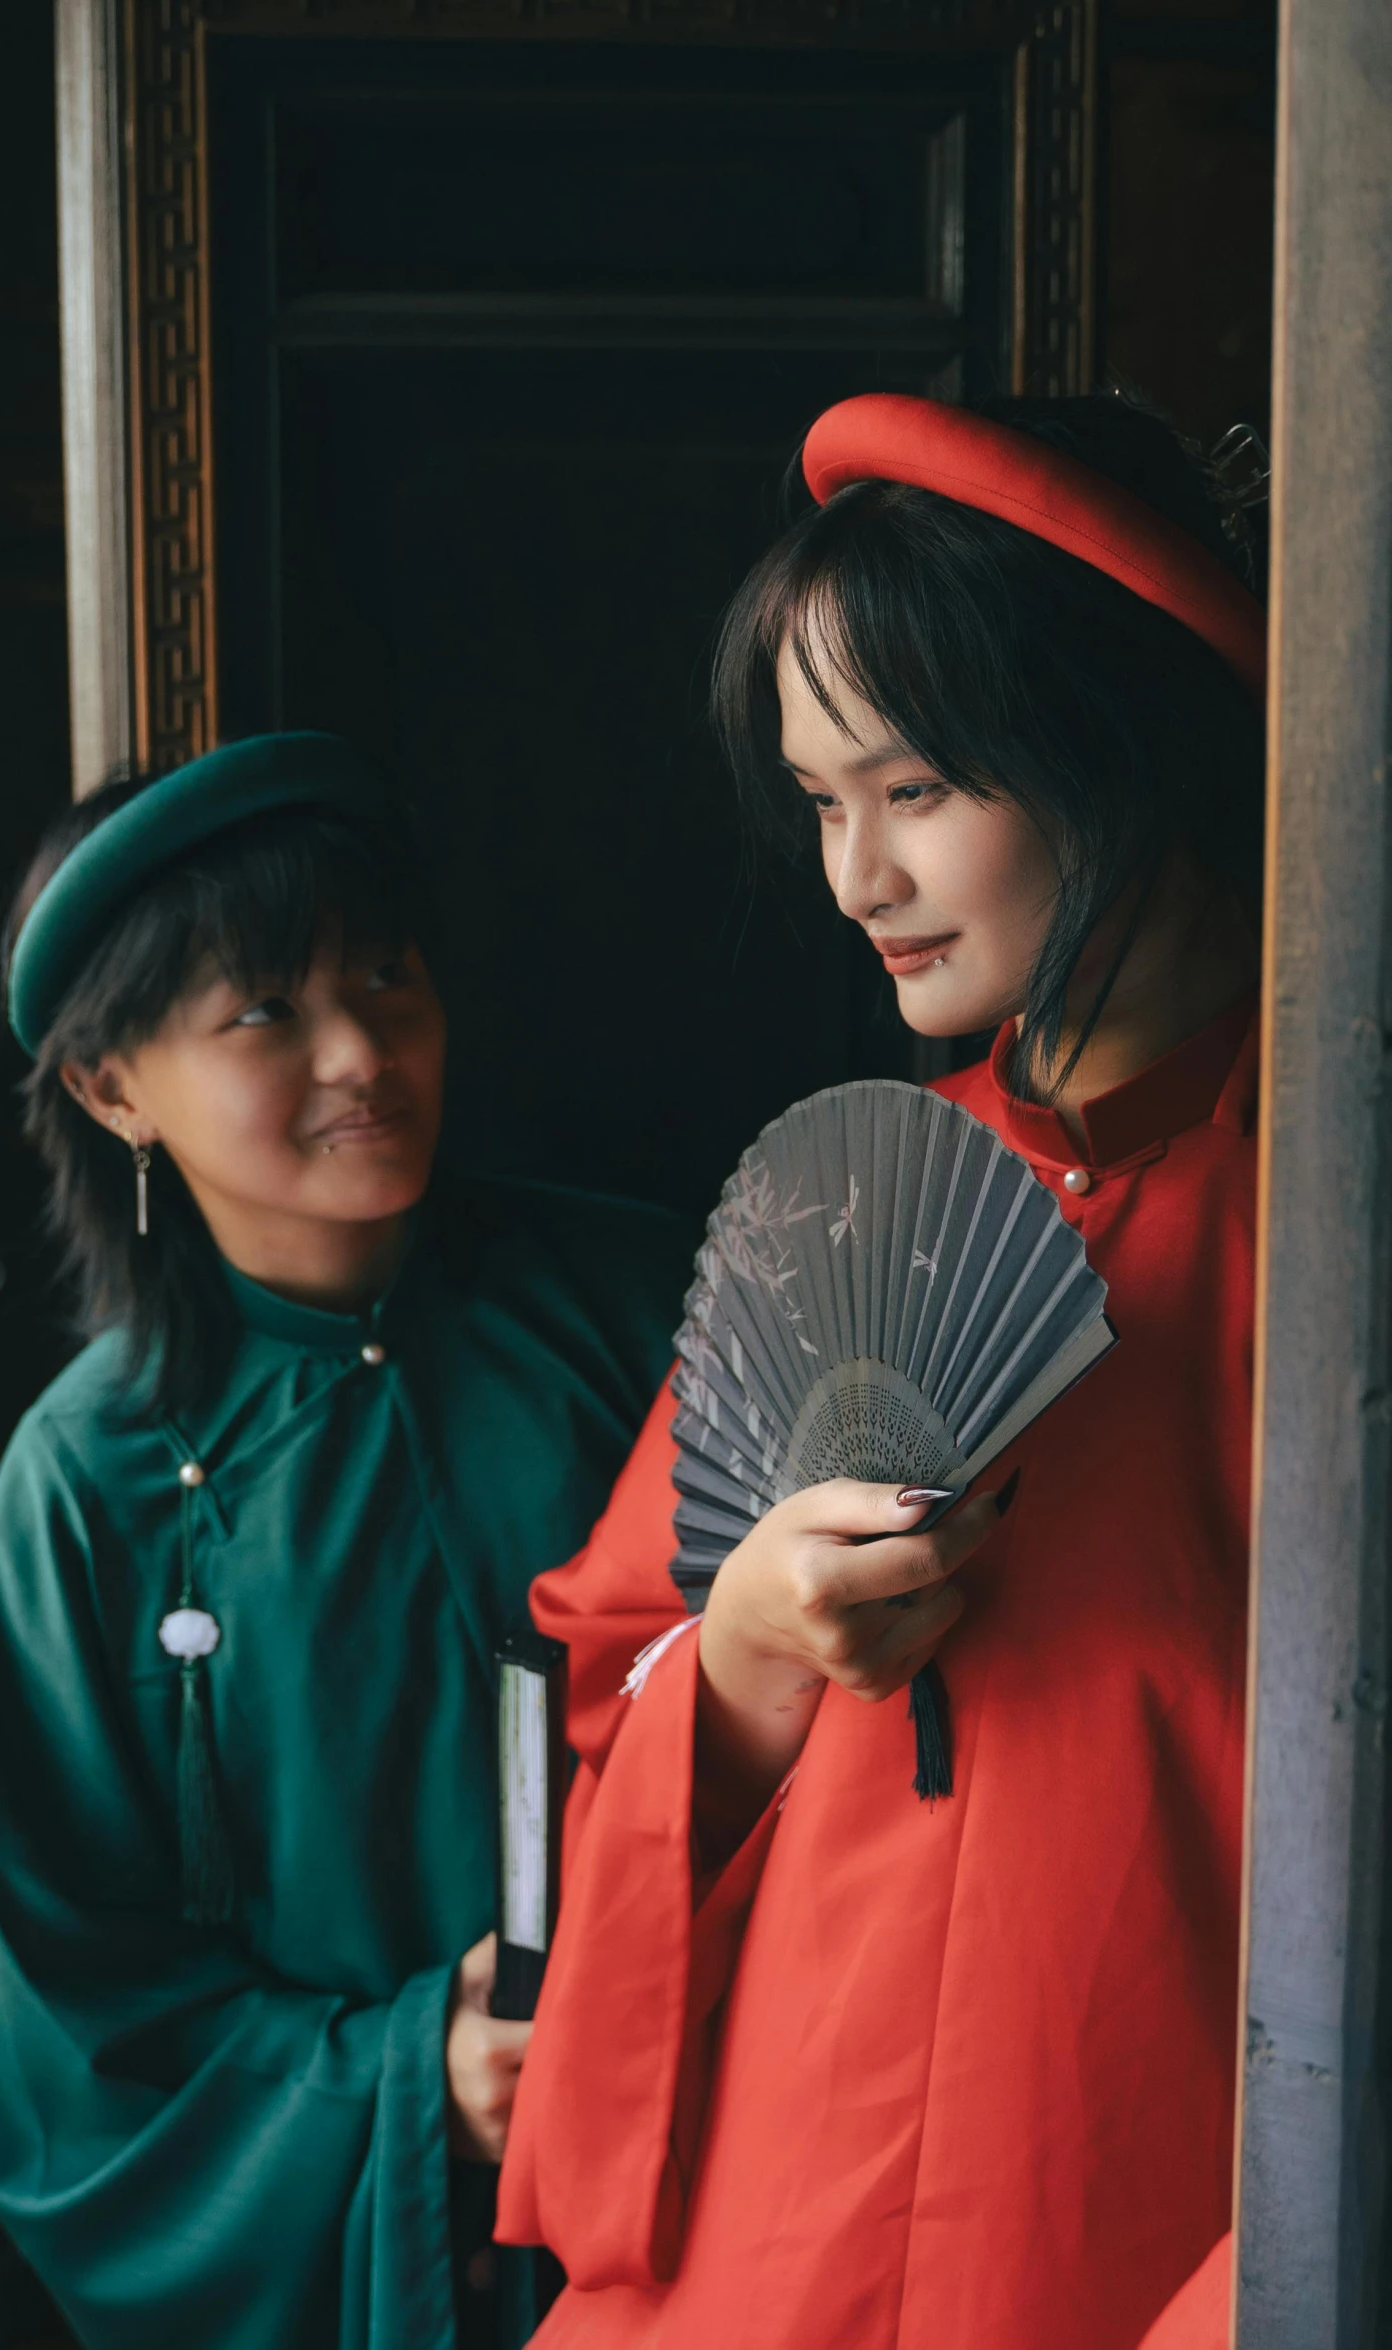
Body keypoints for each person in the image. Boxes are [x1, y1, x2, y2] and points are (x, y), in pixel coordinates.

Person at [495, 394, 1264, 2350]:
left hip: (1133, 2213)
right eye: (821, 798)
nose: (855, 873)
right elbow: (599, 1680)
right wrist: (746, 1643)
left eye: (913, 786)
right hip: (781, 2203)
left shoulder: (1318, 1222)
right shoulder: (856, 1205)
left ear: (1124, 748)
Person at [0, 732, 695, 2350]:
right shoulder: (84, 1492)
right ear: (110, 1082)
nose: (363, 1048)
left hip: (709, 2166)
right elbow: (62, 2045)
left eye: (389, 978)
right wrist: (412, 2074)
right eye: (268, 1009)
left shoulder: (653, 1316)